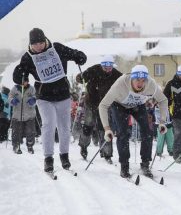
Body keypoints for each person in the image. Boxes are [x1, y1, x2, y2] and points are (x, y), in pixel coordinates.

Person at [13, 28, 86, 172]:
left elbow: (75, 54)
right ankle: (48, 159)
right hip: (44, 97)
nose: (38, 46)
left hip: (63, 95)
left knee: (64, 127)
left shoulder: (57, 48)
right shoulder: (28, 57)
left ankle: (64, 156)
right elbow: (19, 74)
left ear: (45, 40)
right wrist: (21, 76)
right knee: (49, 124)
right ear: (30, 44)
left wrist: (80, 56)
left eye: (40, 42)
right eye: (35, 44)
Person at [99, 65, 168, 178]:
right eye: (137, 80)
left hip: (138, 105)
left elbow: (163, 100)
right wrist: (107, 129)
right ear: (132, 78)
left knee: (147, 131)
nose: (140, 83)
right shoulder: (120, 84)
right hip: (119, 105)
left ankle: (145, 164)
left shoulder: (151, 85)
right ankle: (124, 165)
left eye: (143, 80)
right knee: (123, 133)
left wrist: (162, 121)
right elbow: (103, 105)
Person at [76, 55, 122, 162]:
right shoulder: (94, 70)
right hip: (91, 102)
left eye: (109, 67)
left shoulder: (116, 74)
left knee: (105, 128)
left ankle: (107, 153)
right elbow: (81, 78)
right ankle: (83, 146)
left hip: (106, 105)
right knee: (88, 125)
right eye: (105, 67)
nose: (107, 69)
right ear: (101, 66)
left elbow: (124, 81)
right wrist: (80, 77)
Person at [9, 77, 37, 154]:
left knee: (30, 131)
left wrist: (33, 100)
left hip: (29, 114)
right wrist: (12, 101)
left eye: (26, 81)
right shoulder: (15, 89)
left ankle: (30, 146)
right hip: (17, 114)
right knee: (16, 132)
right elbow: (10, 97)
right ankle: (16, 146)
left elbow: (36, 96)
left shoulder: (31, 88)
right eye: (23, 81)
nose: (24, 83)